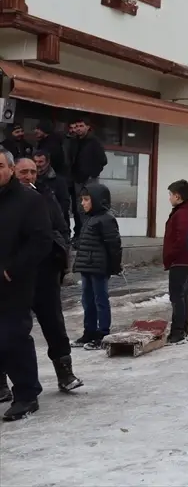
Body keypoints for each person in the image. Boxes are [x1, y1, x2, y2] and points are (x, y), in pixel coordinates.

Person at [1, 157, 80, 401]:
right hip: (12, 276)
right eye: (24, 171)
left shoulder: (45, 195)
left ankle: (64, 373)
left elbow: (60, 228)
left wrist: (60, 252)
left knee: (52, 323)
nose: (29, 176)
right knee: (9, 330)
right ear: (16, 171)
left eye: (33, 172)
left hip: (43, 272)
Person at [0, 151, 53, 421]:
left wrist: (13, 269)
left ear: (10, 169)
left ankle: (26, 394)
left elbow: (42, 240)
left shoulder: (28, 200)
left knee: (13, 337)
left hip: (14, 282)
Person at [72, 183, 121, 350]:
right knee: (87, 300)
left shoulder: (106, 219)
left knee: (100, 300)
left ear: (98, 200)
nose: (83, 203)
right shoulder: (89, 218)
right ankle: (89, 331)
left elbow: (114, 245)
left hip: (99, 267)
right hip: (87, 266)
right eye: (82, 200)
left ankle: (103, 333)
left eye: (86, 199)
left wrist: (115, 266)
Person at [163, 180, 188, 344]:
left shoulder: (182, 213)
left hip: (181, 259)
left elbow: (182, 238)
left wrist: (171, 254)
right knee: (182, 294)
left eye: (170, 195)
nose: (169, 198)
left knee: (177, 295)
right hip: (184, 258)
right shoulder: (183, 211)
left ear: (177, 196)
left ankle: (178, 332)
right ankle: (183, 329)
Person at [66, 116, 107, 244]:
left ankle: (90, 237)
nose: (78, 129)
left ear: (88, 127)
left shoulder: (94, 142)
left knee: (90, 208)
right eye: (77, 126)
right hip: (76, 180)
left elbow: (103, 160)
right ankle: (80, 235)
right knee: (79, 209)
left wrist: (92, 174)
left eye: (81, 126)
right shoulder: (74, 141)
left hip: (89, 181)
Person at [33, 150, 71, 222]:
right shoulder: (30, 180)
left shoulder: (59, 181)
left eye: (40, 162)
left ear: (48, 162)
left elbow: (65, 203)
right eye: (35, 161)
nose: (37, 164)